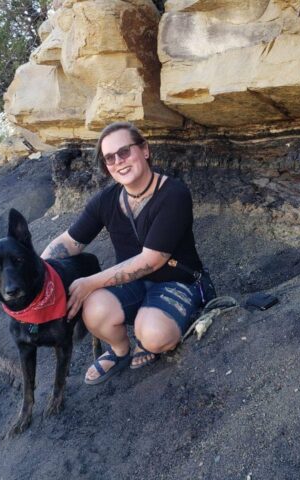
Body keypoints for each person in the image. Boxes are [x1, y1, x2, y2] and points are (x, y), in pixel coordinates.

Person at [42, 122, 204, 385]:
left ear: (144, 150)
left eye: (124, 152)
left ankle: (154, 329)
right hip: (132, 283)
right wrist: (37, 273)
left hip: (176, 280)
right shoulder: (106, 200)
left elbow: (153, 259)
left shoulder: (174, 194)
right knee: (93, 309)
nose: (119, 161)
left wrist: (90, 283)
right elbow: (70, 242)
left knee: (152, 334)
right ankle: (120, 351)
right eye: (110, 158)